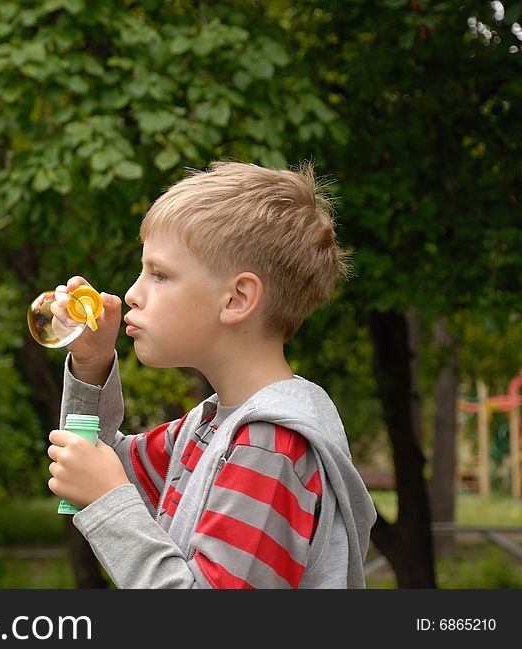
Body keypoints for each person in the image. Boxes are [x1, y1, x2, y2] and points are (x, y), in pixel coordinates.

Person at [46, 160, 377, 588]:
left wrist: (108, 500)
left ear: (237, 299)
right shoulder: (208, 425)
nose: (132, 293)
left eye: (160, 275)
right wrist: (91, 366)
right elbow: (88, 463)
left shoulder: (270, 446)